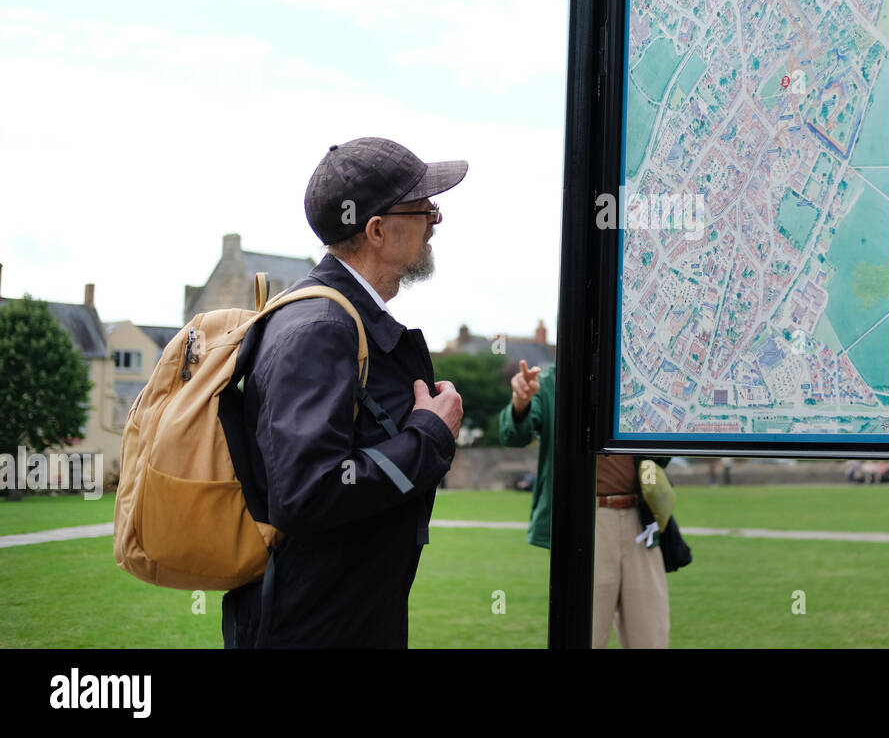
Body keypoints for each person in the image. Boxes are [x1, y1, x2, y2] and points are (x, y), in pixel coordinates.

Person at [221, 137, 467, 648]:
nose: (435, 221)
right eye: (424, 209)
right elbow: (306, 491)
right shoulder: (320, 328)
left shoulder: (337, 316)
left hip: (345, 616)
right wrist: (429, 434)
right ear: (377, 230)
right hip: (317, 627)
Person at [498, 360, 672, 648]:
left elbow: (660, 457)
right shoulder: (553, 380)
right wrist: (520, 402)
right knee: (584, 636)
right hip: (586, 522)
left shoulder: (639, 374)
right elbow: (514, 435)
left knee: (652, 636)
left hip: (641, 524)